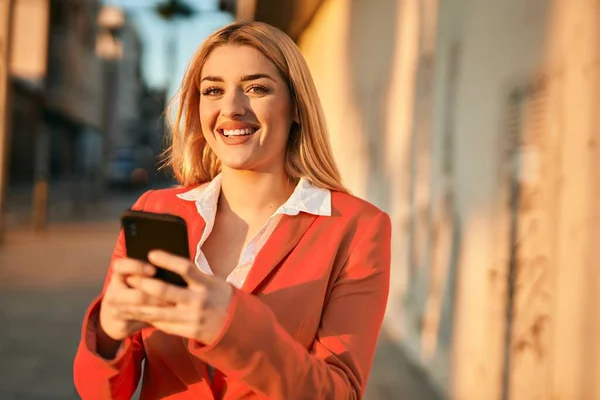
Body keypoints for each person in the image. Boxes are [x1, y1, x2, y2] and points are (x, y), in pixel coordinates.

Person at [73, 21, 391, 400]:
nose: (231, 108)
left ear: (296, 107)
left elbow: (339, 394)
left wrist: (231, 327)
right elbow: (101, 393)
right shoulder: (154, 209)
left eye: (256, 88)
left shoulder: (358, 227)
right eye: (213, 90)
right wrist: (109, 332)